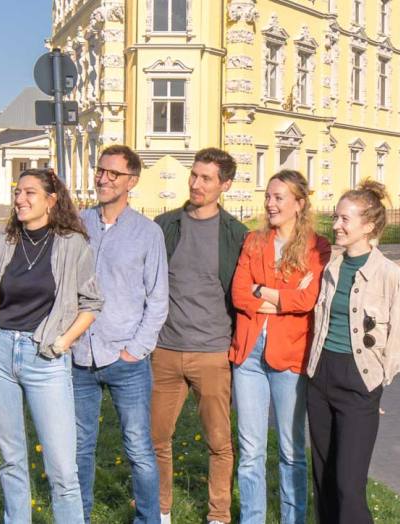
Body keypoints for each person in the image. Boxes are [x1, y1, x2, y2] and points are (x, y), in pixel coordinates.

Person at [0, 168, 100, 524]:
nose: (20, 200)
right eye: (17, 193)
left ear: (51, 201)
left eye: (29, 193)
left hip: (45, 357)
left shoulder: (73, 244)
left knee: (62, 469)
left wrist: (63, 342)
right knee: (11, 460)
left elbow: (92, 303)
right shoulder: (1, 243)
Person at [305, 180, 400, 524]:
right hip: (320, 376)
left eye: (344, 219)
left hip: (359, 380)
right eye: (336, 218)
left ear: (368, 226)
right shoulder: (331, 268)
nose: (336, 225)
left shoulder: (390, 276)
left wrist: (378, 381)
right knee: (323, 477)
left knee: (348, 484)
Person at [150, 147, 248, 524]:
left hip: (212, 354)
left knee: (219, 442)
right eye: (194, 175)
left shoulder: (236, 235)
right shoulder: (165, 225)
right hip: (166, 350)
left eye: (206, 178)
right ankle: (160, 511)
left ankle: (218, 515)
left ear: (224, 185)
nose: (196, 183)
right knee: (156, 438)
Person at [73, 145, 168, 523]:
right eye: (100, 171)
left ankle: (148, 519)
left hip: (125, 359)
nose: (103, 179)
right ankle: (77, 515)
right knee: (79, 446)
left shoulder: (148, 233)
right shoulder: (78, 225)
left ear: (132, 181)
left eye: (113, 174)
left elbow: (158, 298)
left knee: (139, 448)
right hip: (79, 356)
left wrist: (136, 350)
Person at [230, 170, 330, 524]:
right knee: (250, 450)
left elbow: (308, 299)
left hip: (290, 357)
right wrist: (275, 297)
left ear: (299, 204)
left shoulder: (318, 247)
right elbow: (239, 293)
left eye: (279, 198)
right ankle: (252, 519)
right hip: (248, 356)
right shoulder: (254, 242)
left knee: (291, 450)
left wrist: (264, 292)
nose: (270, 204)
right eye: (268, 196)